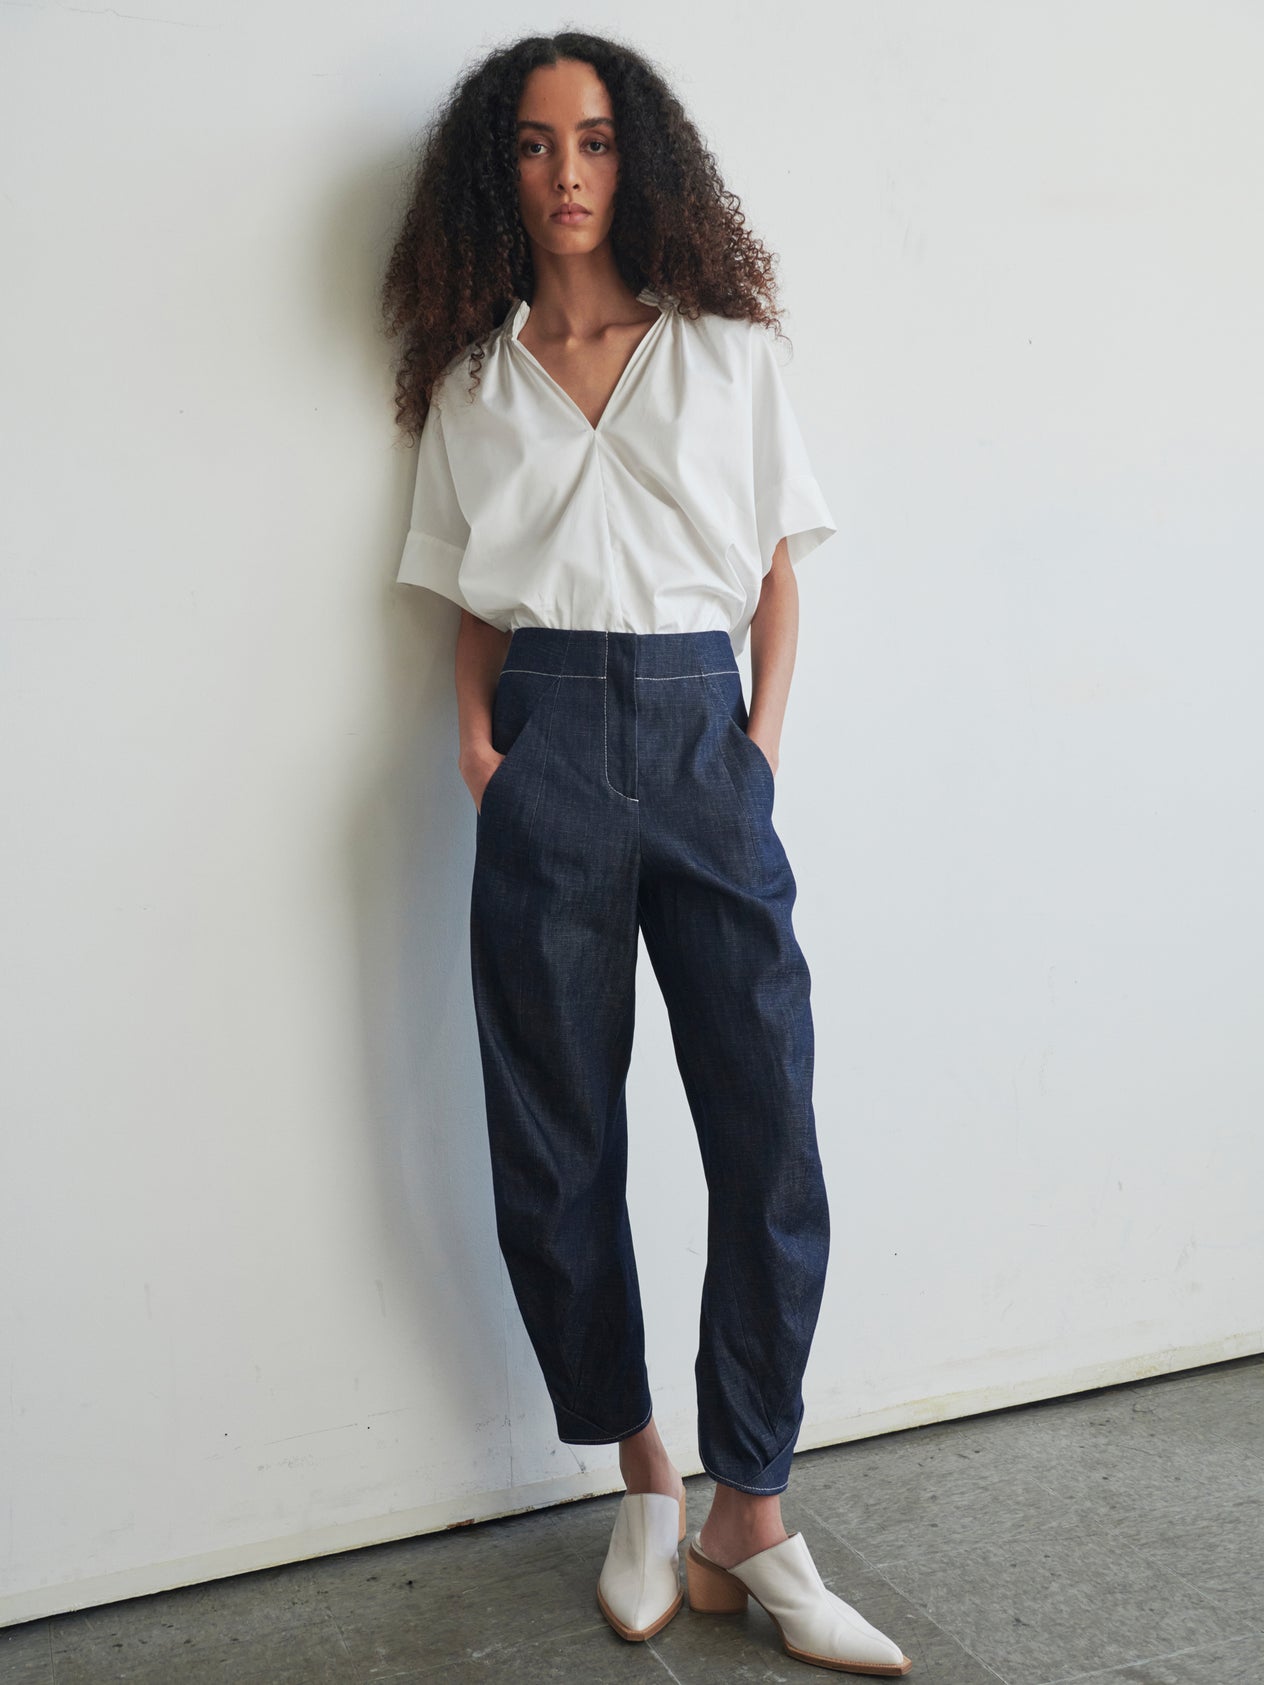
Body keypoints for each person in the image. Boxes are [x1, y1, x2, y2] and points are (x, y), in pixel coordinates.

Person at [382, 32, 912, 1678]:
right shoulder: (475, 382)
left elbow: (772, 568)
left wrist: (753, 748)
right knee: (555, 1139)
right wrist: (482, 747)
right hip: (543, 744)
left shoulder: (728, 352)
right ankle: (640, 1472)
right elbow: (472, 594)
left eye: (596, 140)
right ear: (502, 170)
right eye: (536, 146)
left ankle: (751, 1510)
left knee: (767, 1122)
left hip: (701, 743)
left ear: (639, 160)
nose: (567, 175)